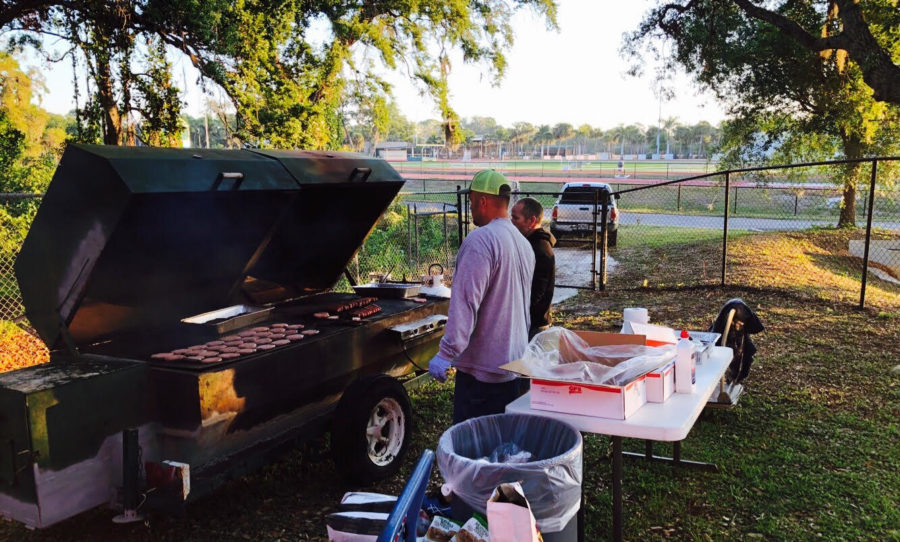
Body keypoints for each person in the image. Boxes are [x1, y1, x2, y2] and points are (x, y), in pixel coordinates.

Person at [428, 170, 535, 424]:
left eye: (472, 200)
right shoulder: (523, 243)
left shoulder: (481, 241)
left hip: (482, 374)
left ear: (483, 201)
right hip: (513, 365)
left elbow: (465, 302)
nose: (471, 207)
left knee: (472, 452)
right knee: (500, 446)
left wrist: (446, 353)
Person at [510, 197, 556, 338]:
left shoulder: (540, 249)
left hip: (534, 327)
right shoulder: (529, 243)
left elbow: (535, 293)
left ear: (532, 221)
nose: (511, 222)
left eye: (515, 218)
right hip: (527, 323)